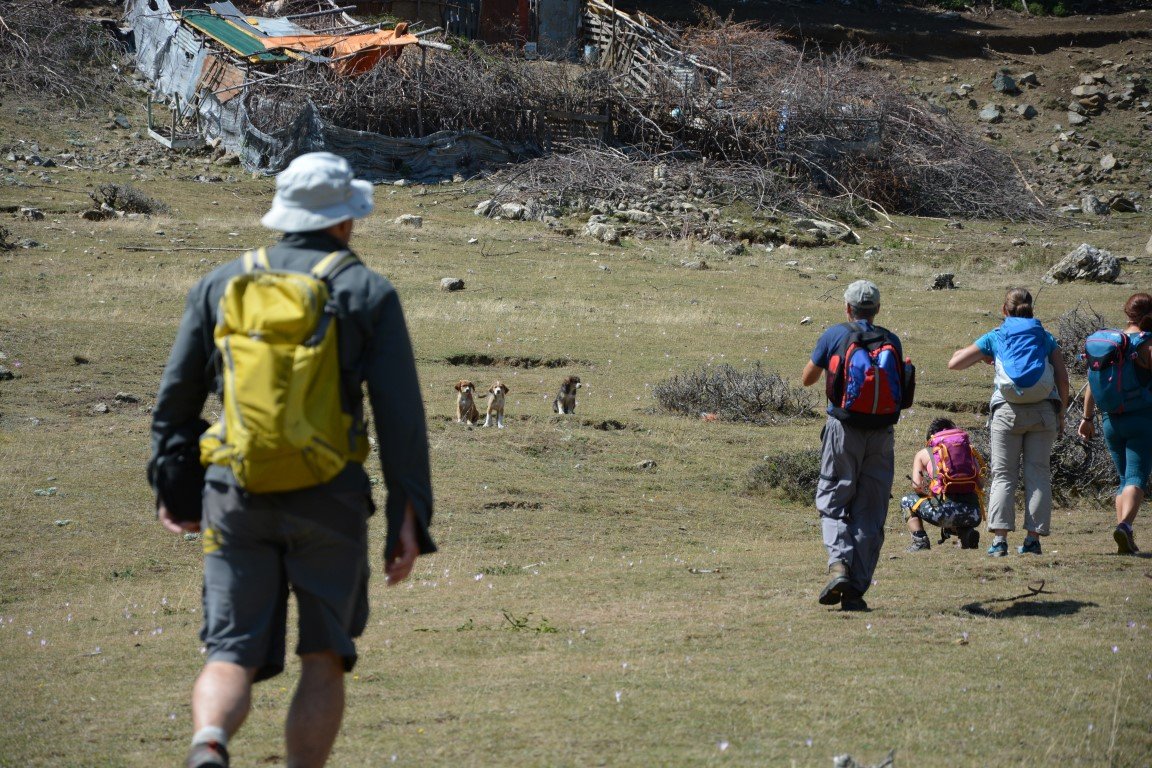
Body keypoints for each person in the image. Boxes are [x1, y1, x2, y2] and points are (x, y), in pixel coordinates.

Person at [149, 152, 436, 768]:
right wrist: (409, 516)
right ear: (344, 220)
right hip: (330, 497)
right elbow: (401, 419)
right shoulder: (366, 290)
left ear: (284, 214)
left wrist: (175, 487)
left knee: (229, 651)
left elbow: (174, 402)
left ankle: (208, 746)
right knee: (324, 655)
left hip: (235, 493)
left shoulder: (221, 283)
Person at [802, 279, 908, 612]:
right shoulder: (891, 340)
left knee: (833, 500)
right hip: (881, 434)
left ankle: (838, 567)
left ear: (847, 308)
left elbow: (808, 378)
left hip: (843, 430)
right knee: (870, 510)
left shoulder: (835, 335)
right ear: (876, 309)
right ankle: (856, 590)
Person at [948, 287, 1068, 558]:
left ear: (1005, 311)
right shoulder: (1045, 337)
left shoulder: (997, 336)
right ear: (1030, 309)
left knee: (1003, 475)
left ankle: (999, 541)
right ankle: (1033, 541)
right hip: (1043, 412)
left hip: (1007, 413)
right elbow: (1062, 378)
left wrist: (983, 356)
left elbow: (954, 363)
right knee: (1038, 474)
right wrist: (1060, 414)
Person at [1077, 292, 1152, 555]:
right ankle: (1125, 526)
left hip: (1110, 420)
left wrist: (1087, 418)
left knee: (1123, 479)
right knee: (1136, 477)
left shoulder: (1112, 345)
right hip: (1142, 419)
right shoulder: (1145, 344)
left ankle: (1125, 541)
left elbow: (1090, 383)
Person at [900, 417, 984, 552]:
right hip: (973, 514)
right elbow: (981, 484)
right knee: (958, 508)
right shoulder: (968, 450)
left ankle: (920, 541)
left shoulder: (923, 454)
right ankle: (966, 533)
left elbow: (917, 486)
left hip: (943, 513)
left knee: (906, 500)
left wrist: (932, 491)